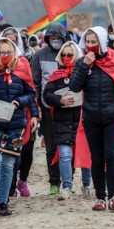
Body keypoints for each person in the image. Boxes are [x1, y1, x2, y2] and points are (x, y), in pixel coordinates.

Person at [69, 27, 114, 211]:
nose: (90, 45)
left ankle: (113, 196)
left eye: (94, 42)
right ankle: (100, 198)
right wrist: (84, 66)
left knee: (111, 156)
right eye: (88, 42)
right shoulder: (82, 62)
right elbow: (74, 87)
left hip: (112, 117)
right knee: (96, 159)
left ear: (101, 42)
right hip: (91, 117)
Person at [0, 38, 38, 216]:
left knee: (9, 164)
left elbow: (31, 93)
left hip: (16, 123)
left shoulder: (22, 69)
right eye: (1, 52)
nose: (5, 55)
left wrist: (20, 102)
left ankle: (3, 202)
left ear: (13, 53)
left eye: (8, 52)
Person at [43, 41, 92, 200]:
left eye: (69, 54)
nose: (66, 57)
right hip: (62, 121)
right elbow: (46, 95)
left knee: (84, 155)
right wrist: (59, 100)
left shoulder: (85, 73)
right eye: (63, 55)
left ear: (76, 55)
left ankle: (86, 186)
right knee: (64, 155)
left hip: (82, 121)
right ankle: (67, 187)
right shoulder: (55, 75)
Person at [0, 26, 40, 199]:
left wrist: (36, 113)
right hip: (3, 113)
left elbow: (31, 89)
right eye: (8, 40)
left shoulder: (25, 61)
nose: (11, 44)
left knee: (27, 148)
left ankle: (23, 180)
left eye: (14, 41)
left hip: (25, 109)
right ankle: (10, 185)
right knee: (9, 151)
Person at [31, 22, 69, 195]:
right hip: (47, 108)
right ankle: (54, 182)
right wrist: (37, 106)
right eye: (51, 38)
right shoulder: (39, 55)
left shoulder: (70, 53)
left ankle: (68, 181)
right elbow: (35, 83)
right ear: (47, 38)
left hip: (68, 107)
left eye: (58, 38)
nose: (55, 41)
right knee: (51, 147)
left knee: (68, 145)